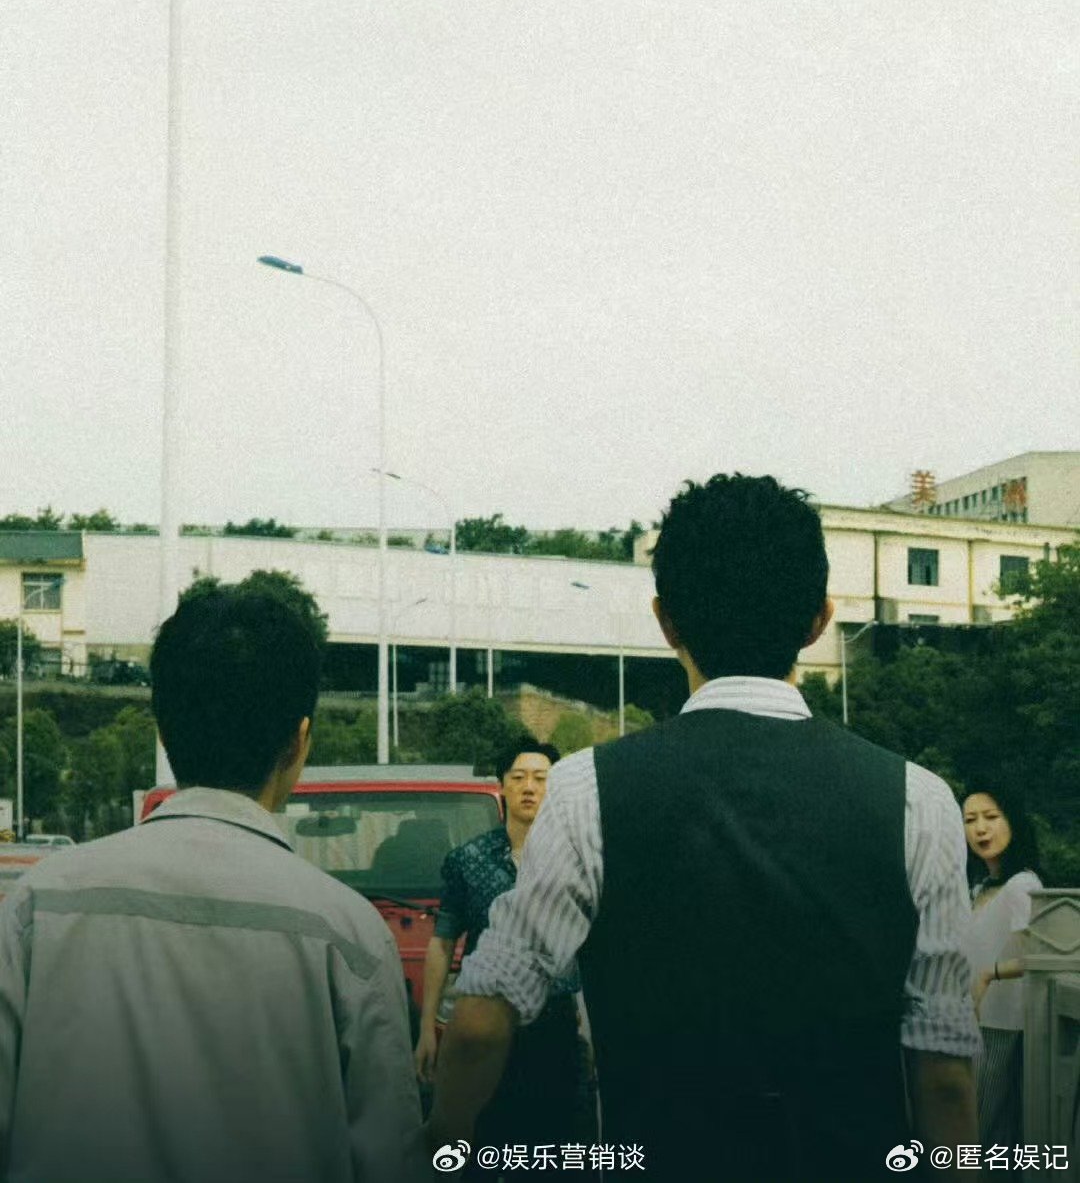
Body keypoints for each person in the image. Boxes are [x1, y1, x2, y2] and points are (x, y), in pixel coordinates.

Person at [429, 473, 980, 1183]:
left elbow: (481, 1023)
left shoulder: (586, 790)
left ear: (666, 622)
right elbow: (943, 1071)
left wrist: (444, 1140)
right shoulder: (920, 801)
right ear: (819, 620)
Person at [0, 581, 425, 1183]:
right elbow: (389, 1160)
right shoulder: (349, 934)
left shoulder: (38, 906)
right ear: (300, 740)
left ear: (163, 730)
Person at [415, 738, 588, 1153]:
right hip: (484, 1023)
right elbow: (443, 943)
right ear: (502, 786)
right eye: (519, 777)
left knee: (555, 1150)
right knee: (480, 1144)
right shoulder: (468, 859)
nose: (529, 787)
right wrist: (426, 1029)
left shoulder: (579, 862)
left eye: (541, 779)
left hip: (556, 1025)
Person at [963, 783, 1043, 1147]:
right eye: (970, 820)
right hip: (974, 1024)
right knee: (985, 1133)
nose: (980, 829)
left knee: (980, 1131)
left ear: (1012, 822)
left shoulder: (1022, 884)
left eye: (991, 817)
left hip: (1002, 1026)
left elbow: (1037, 954)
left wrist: (989, 974)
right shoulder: (978, 888)